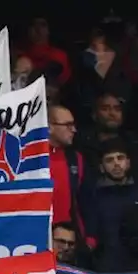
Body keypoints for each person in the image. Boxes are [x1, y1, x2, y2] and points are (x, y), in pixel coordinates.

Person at [89, 139, 138, 273]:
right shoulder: (93, 198)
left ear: (128, 162)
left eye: (120, 158)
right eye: (109, 160)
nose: (116, 164)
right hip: (104, 272)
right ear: (101, 167)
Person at [48, 105, 95, 249]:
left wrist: (90, 238)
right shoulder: (29, 157)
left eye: (73, 125)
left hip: (70, 240)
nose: (73, 130)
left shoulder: (76, 159)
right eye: (67, 125)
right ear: (49, 127)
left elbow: (87, 201)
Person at [17, 17, 71, 85]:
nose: (38, 28)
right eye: (33, 25)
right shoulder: (19, 56)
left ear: (48, 30)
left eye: (42, 25)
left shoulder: (59, 54)